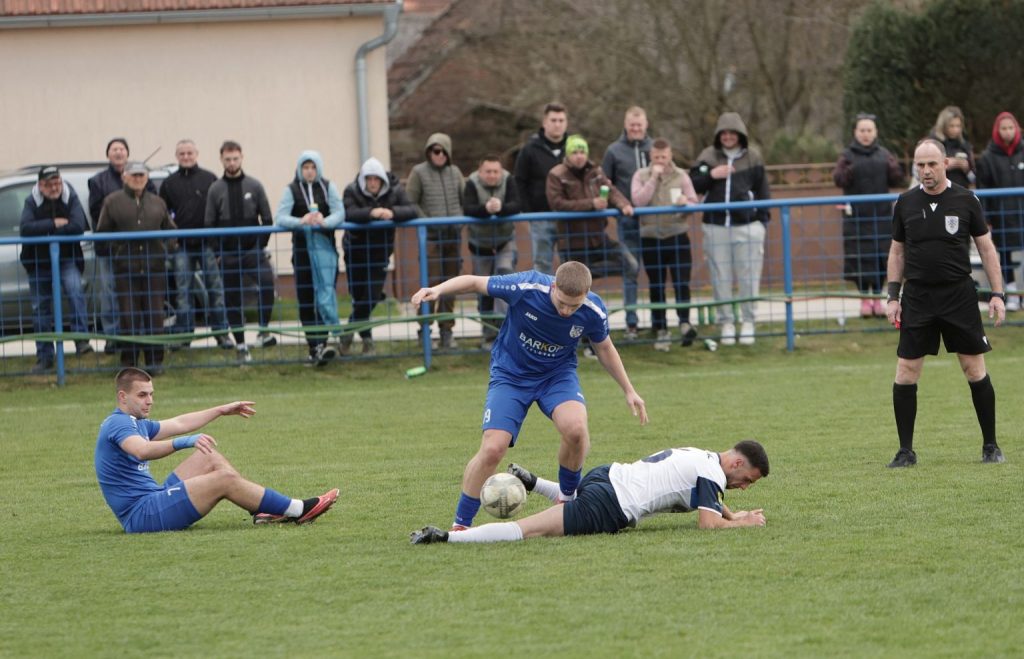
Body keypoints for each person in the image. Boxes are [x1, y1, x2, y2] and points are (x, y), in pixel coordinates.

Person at [410, 261, 648, 531]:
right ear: (553, 286)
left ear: (586, 295)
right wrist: (438, 290)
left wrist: (629, 390)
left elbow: (604, 347)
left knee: (576, 430)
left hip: (556, 376)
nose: (566, 311)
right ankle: (461, 524)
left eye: (574, 306)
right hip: (511, 375)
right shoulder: (526, 286)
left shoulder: (593, 309)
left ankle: (567, 500)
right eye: (562, 303)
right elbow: (475, 282)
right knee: (493, 449)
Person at [95, 367, 339, 533]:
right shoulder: (118, 423)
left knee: (208, 456)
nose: (150, 401)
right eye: (142, 395)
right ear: (122, 397)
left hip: (153, 498)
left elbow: (179, 423)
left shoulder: (135, 422)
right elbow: (141, 450)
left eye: (151, 394)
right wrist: (185, 441)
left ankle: (265, 511)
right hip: (141, 516)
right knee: (224, 480)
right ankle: (298, 510)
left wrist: (220, 410)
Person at [885, 139, 1007, 468]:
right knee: (906, 371)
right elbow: (897, 251)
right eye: (920, 165)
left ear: (945, 164)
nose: (925, 171)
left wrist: (997, 294)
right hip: (918, 297)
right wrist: (893, 296)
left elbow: (986, 248)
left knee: (974, 369)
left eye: (932, 164)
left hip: (958, 296)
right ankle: (905, 452)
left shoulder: (966, 200)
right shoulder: (905, 202)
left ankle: (991, 446)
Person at [410, 440, 769, 544]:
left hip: (605, 476)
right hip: (611, 503)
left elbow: (710, 501)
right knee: (531, 530)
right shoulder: (712, 474)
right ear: (737, 463)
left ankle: (536, 483)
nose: (743, 487)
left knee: (568, 507)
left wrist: (732, 513)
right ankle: (449, 537)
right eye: (748, 480)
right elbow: (707, 525)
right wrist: (744, 524)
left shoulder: (704, 457)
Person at [546, 134, 639, 354]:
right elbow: (557, 203)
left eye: (582, 152)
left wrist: (623, 204)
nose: (579, 156)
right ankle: (582, 344)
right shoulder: (556, 174)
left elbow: (611, 190)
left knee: (631, 265)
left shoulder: (596, 171)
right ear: (568, 155)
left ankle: (629, 322)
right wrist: (591, 204)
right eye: (575, 152)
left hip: (599, 237)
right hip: (573, 241)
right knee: (575, 296)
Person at [690, 112, 771, 346]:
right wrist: (711, 175)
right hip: (715, 226)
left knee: (749, 277)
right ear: (718, 135)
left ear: (740, 135)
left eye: (732, 133)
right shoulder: (707, 156)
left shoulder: (753, 157)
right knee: (720, 278)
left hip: (748, 226)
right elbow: (693, 183)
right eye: (723, 133)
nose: (727, 137)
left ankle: (748, 322)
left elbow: (763, 191)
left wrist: (762, 221)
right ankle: (726, 322)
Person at [95, 162, 176, 375]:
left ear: (147, 177)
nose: (138, 179)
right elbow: (102, 234)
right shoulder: (112, 202)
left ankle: (154, 362)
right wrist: (117, 252)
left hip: (154, 269)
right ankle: (129, 364)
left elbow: (171, 231)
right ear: (125, 177)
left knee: (155, 317)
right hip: (126, 270)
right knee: (128, 317)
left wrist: (164, 251)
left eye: (141, 175)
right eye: (134, 175)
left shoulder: (158, 202)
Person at [158, 139, 234, 351]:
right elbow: (162, 214)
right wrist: (171, 240)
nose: (186, 157)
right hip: (181, 246)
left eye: (189, 153)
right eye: (182, 153)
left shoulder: (210, 178)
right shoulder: (169, 183)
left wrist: (218, 245)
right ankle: (184, 335)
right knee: (183, 293)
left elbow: (221, 211)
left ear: (196, 154)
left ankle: (221, 334)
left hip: (207, 244)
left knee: (215, 290)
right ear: (177, 156)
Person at [205, 141, 277, 363]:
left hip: (252, 251)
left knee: (267, 284)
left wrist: (260, 245)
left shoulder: (254, 185)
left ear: (242, 158)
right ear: (221, 160)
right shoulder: (215, 189)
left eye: (235, 158)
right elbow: (209, 224)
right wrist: (218, 253)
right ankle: (241, 345)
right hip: (227, 255)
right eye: (228, 159)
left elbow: (267, 219)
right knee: (232, 300)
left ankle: (264, 331)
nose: (232, 163)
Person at [275, 150, 345, 366]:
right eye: (305, 167)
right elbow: (280, 217)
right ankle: (314, 346)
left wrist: (325, 222)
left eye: (313, 167)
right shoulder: (291, 189)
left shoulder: (328, 186)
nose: (309, 171)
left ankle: (325, 342)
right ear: (299, 169)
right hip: (302, 253)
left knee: (325, 295)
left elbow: (340, 212)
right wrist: (301, 221)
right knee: (306, 300)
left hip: (326, 253)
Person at [341, 157, 418, 356]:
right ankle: (367, 341)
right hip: (355, 251)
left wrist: (392, 212)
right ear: (363, 180)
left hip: (380, 252)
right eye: (369, 179)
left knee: (372, 297)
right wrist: (371, 212)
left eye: (376, 178)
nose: (373, 182)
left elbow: (412, 210)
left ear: (382, 179)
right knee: (359, 297)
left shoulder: (395, 190)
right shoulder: (352, 190)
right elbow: (348, 213)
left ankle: (348, 332)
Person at [19, 166, 93, 372]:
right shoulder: (31, 201)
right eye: (49, 184)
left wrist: (46, 232)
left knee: (75, 292)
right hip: (38, 262)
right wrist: (54, 223)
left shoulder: (70, 196)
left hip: (67, 259)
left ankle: (81, 341)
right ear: (40, 185)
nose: (54, 188)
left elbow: (78, 226)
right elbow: (26, 229)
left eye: (57, 182)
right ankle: (44, 356)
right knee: (40, 308)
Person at [832, 113, 905, 318]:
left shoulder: (884, 154)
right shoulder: (847, 155)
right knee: (860, 259)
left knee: (882, 259)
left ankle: (878, 299)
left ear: (875, 132)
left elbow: (897, 178)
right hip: (856, 219)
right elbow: (838, 179)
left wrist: (894, 168)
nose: (865, 134)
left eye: (869, 130)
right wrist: (847, 171)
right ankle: (864, 300)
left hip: (881, 218)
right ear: (855, 132)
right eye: (862, 130)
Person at [88, 138, 156, 355]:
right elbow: (96, 212)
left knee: (139, 295)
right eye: (114, 149)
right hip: (110, 249)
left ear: (127, 153)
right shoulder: (98, 181)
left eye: (122, 149)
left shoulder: (143, 177)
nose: (118, 152)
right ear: (108, 154)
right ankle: (113, 336)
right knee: (110, 292)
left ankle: (141, 337)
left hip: (140, 251)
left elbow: (154, 205)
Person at [631, 138, 700, 351]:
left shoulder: (681, 176)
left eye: (664, 156)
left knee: (681, 282)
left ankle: (685, 323)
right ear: (651, 156)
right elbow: (638, 201)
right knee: (656, 285)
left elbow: (694, 202)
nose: (660, 160)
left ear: (670, 156)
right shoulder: (640, 175)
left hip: (677, 235)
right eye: (657, 156)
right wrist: (653, 178)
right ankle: (661, 328)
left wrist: (685, 203)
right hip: (651, 237)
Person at [406, 133, 465, 350]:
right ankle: (425, 330)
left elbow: (464, 198)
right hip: (431, 238)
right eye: (434, 151)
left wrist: (459, 220)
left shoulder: (455, 172)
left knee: (451, 286)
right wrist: (428, 222)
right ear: (428, 152)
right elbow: (411, 201)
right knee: (429, 285)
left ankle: (446, 330)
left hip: (453, 237)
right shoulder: (418, 172)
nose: (439, 155)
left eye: (442, 151)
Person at [601, 106, 652, 339]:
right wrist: (616, 208)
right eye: (632, 125)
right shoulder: (614, 151)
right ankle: (632, 323)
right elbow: (605, 184)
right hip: (627, 221)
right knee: (631, 270)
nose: (636, 129)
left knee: (655, 272)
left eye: (639, 125)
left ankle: (659, 322)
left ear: (646, 125)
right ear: (625, 125)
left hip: (654, 221)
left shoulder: (654, 149)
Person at [462, 154, 522, 349]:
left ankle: (506, 332)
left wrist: (501, 208)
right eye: (488, 171)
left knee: (506, 281)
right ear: (480, 172)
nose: (492, 175)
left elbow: (517, 205)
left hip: (505, 241)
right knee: (483, 290)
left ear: (501, 171)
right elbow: (467, 208)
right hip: (480, 244)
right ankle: (488, 334)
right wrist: (485, 209)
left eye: (496, 171)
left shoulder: (509, 179)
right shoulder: (471, 183)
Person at [976, 112, 1024, 312]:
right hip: (1001, 216)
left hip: (1022, 213)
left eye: (1011, 128)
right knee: (1004, 254)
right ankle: (1011, 294)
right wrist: (985, 218)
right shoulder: (987, 158)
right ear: (997, 130)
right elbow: (983, 189)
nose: (1008, 132)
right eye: (1004, 128)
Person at [514, 102, 569, 275]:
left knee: (571, 265)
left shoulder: (574, 148)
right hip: (540, 218)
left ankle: (570, 295)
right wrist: (529, 212)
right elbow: (520, 181)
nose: (557, 124)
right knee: (542, 264)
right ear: (544, 122)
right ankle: (542, 295)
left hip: (569, 217)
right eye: (553, 120)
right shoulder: (529, 149)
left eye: (561, 120)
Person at [929, 105, 975, 190]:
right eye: (952, 126)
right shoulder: (932, 145)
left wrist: (967, 169)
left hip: (961, 192)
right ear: (943, 126)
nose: (956, 130)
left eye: (958, 126)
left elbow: (974, 178)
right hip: (938, 192)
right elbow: (923, 172)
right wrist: (944, 165)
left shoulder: (964, 145)